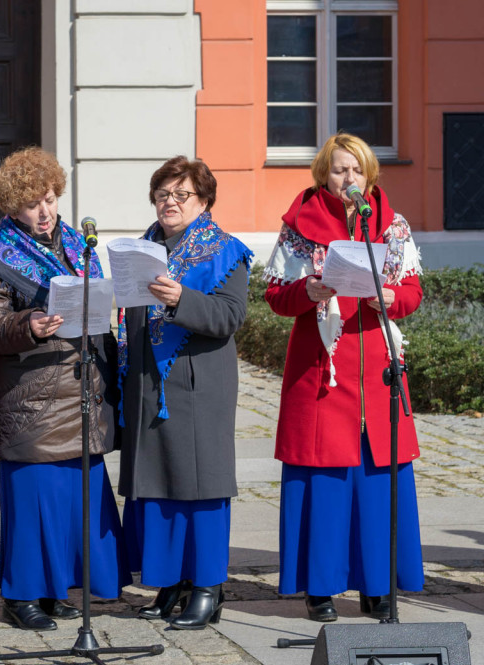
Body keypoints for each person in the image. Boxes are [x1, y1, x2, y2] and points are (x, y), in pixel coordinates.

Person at [0, 146, 130, 631]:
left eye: (51, 199)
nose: (45, 211)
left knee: (75, 502)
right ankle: (23, 597)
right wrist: (29, 325)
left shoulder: (80, 246)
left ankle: (59, 592)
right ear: (12, 207)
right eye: (33, 203)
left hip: (80, 391)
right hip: (29, 400)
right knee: (35, 502)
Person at [265, 133, 424, 622]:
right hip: (320, 370)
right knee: (325, 479)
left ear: (370, 175)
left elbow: (413, 292)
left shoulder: (392, 227)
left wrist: (391, 300)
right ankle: (321, 588)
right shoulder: (299, 228)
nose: (348, 178)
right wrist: (310, 289)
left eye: (356, 170)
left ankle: (377, 587)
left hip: (375, 365)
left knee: (377, 481)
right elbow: (275, 297)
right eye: (338, 170)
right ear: (323, 175)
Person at [118, 156, 252, 630]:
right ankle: (169, 582)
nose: (169, 203)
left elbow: (228, 318)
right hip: (149, 384)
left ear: (204, 201)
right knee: (157, 488)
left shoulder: (226, 251)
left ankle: (207, 587)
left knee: (202, 488)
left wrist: (181, 300)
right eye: (162, 195)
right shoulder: (141, 249)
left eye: (181, 195)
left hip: (198, 384)